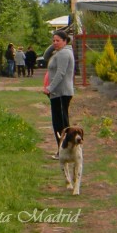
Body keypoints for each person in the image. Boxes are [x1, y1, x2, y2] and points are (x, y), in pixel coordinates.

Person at [42, 30, 75, 158]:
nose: (55, 43)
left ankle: (65, 150)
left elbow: (60, 73)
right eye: (53, 40)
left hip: (61, 93)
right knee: (57, 122)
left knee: (61, 123)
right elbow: (46, 56)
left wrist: (50, 88)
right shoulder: (60, 52)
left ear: (65, 41)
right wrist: (55, 43)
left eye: (58, 40)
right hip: (57, 93)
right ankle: (62, 149)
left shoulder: (64, 54)